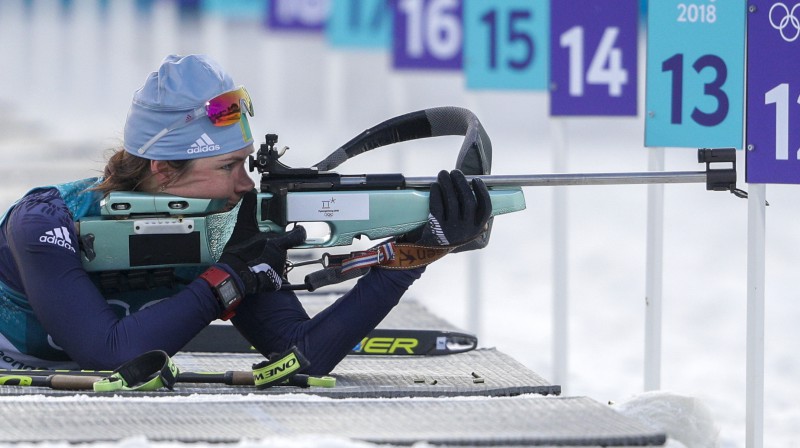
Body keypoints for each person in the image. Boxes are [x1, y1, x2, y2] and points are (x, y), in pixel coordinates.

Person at [0, 54, 491, 375]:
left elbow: (302, 356)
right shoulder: (45, 223)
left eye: (247, 162)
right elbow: (109, 354)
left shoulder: (222, 225)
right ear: (164, 171)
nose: (246, 184)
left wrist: (412, 256)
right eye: (227, 166)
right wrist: (226, 281)